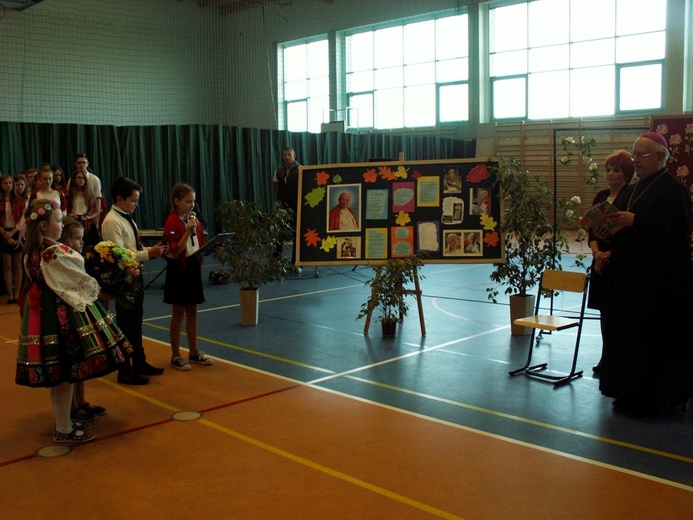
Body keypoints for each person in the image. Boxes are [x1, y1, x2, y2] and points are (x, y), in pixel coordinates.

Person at [15, 199, 128, 443]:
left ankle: (64, 420)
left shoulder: (31, 253)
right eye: (57, 221)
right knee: (64, 373)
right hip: (60, 316)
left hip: (43, 315)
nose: (60, 224)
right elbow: (79, 276)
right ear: (44, 226)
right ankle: (64, 428)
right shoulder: (54, 252)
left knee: (60, 375)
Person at [599, 132, 692, 415]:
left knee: (654, 342)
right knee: (628, 339)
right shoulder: (631, 189)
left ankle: (655, 398)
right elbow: (622, 229)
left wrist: (635, 220)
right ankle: (627, 392)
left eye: (642, 155)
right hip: (629, 280)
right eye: (634, 154)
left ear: (661, 158)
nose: (634, 160)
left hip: (659, 284)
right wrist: (606, 233)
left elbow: (677, 231)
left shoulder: (674, 189)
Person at [101, 177, 167, 385]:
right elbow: (119, 256)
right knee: (126, 325)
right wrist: (149, 254)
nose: (135, 204)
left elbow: (132, 249)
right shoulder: (112, 221)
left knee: (136, 322)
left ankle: (139, 361)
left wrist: (148, 252)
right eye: (133, 200)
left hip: (134, 277)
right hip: (123, 280)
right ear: (120, 199)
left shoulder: (127, 217)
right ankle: (125, 369)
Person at [585, 150, 634, 375]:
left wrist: (611, 255)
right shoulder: (601, 196)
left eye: (616, 170)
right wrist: (597, 254)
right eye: (607, 170)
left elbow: (632, 235)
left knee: (621, 315)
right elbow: (592, 232)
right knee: (604, 312)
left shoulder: (632, 195)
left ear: (627, 174)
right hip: (600, 262)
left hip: (621, 261)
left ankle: (620, 360)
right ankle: (606, 357)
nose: (610, 174)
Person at [60, 217, 108, 422]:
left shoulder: (76, 256)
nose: (81, 243)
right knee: (72, 361)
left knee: (82, 359)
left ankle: (81, 401)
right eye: (77, 238)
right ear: (66, 239)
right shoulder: (62, 258)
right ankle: (71, 407)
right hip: (69, 313)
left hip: (81, 310)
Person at [163, 183, 215, 371]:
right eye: (188, 201)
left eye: (194, 201)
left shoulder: (194, 220)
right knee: (178, 313)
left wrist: (212, 247)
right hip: (178, 269)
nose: (192, 205)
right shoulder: (172, 222)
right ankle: (175, 355)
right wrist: (187, 231)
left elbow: (197, 245)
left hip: (193, 266)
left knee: (192, 311)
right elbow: (175, 251)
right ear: (177, 201)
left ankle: (193, 351)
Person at [272, 146, 300, 269]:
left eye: (289, 154)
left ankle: (296, 262)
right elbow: (275, 188)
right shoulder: (278, 170)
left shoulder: (301, 169)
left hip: (297, 206)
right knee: (279, 233)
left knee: (297, 234)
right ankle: (275, 261)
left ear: (294, 155)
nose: (287, 157)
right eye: (285, 155)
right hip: (282, 206)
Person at [0, 174, 25, 303]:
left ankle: (17, 293)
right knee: (7, 265)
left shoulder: (19, 200)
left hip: (17, 232)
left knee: (17, 265)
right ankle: (10, 295)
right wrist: (6, 235)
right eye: (5, 183)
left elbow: (23, 218)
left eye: (10, 183)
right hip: (3, 233)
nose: (8, 185)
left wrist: (14, 232)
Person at [66, 169, 100, 247]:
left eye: (83, 178)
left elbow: (96, 210)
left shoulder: (90, 194)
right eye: (78, 177)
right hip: (73, 221)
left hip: (86, 222)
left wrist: (88, 217)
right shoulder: (69, 195)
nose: (81, 180)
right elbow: (65, 210)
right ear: (74, 179)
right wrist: (70, 215)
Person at [72, 153, 105, 230]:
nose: (81, 165)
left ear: (87, 164)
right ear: (76, 164)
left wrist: (95, 220)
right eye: (79, 163)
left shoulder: (94, 179)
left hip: (89, 218)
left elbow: (98, 201)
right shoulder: (72, 179)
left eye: (84, 162)